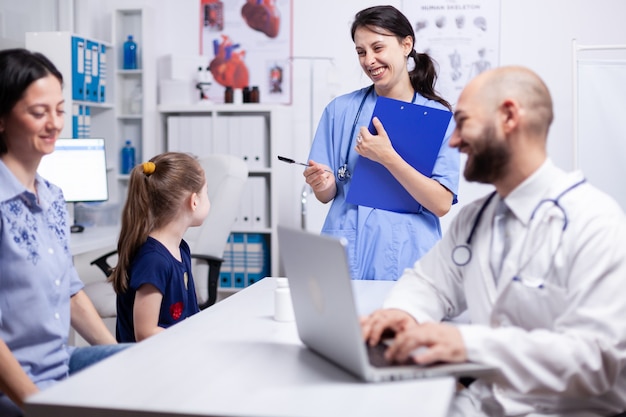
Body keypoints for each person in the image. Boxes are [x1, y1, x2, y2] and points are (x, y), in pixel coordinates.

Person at [361, 66, 626, 416]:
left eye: (464, 122)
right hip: (485, 404)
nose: (454, 141)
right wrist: (402, 313)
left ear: (509, 116)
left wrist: (467, 344)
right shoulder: (474, 219)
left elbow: (596, 359)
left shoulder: (595, 221)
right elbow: (430, 283)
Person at [0, 48, 126, 416]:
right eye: (39, 113)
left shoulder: (53, 197)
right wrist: (37, 405)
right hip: (20, 383)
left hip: (61, 364)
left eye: (59, 110)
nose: (54, 123)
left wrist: (122, 357)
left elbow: (70, 291)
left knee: (155, 370)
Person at [303, 5, 460, 281]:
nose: (369, 60)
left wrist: (388, 157)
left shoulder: (438, 119)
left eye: (378, 48)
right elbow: (327, 193)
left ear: (406, 44)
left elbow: (441, 204)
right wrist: (322, 184)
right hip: (346, 249)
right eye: (361, 52)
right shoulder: (339, 110)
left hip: (409, 252)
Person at [110, 152, 210, 343]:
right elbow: (145, 333)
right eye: (207, 192)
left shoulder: (181, 249)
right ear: (194, 201)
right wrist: (192, 338)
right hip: (147, 364)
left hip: (172, 353)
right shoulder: (153, 261)